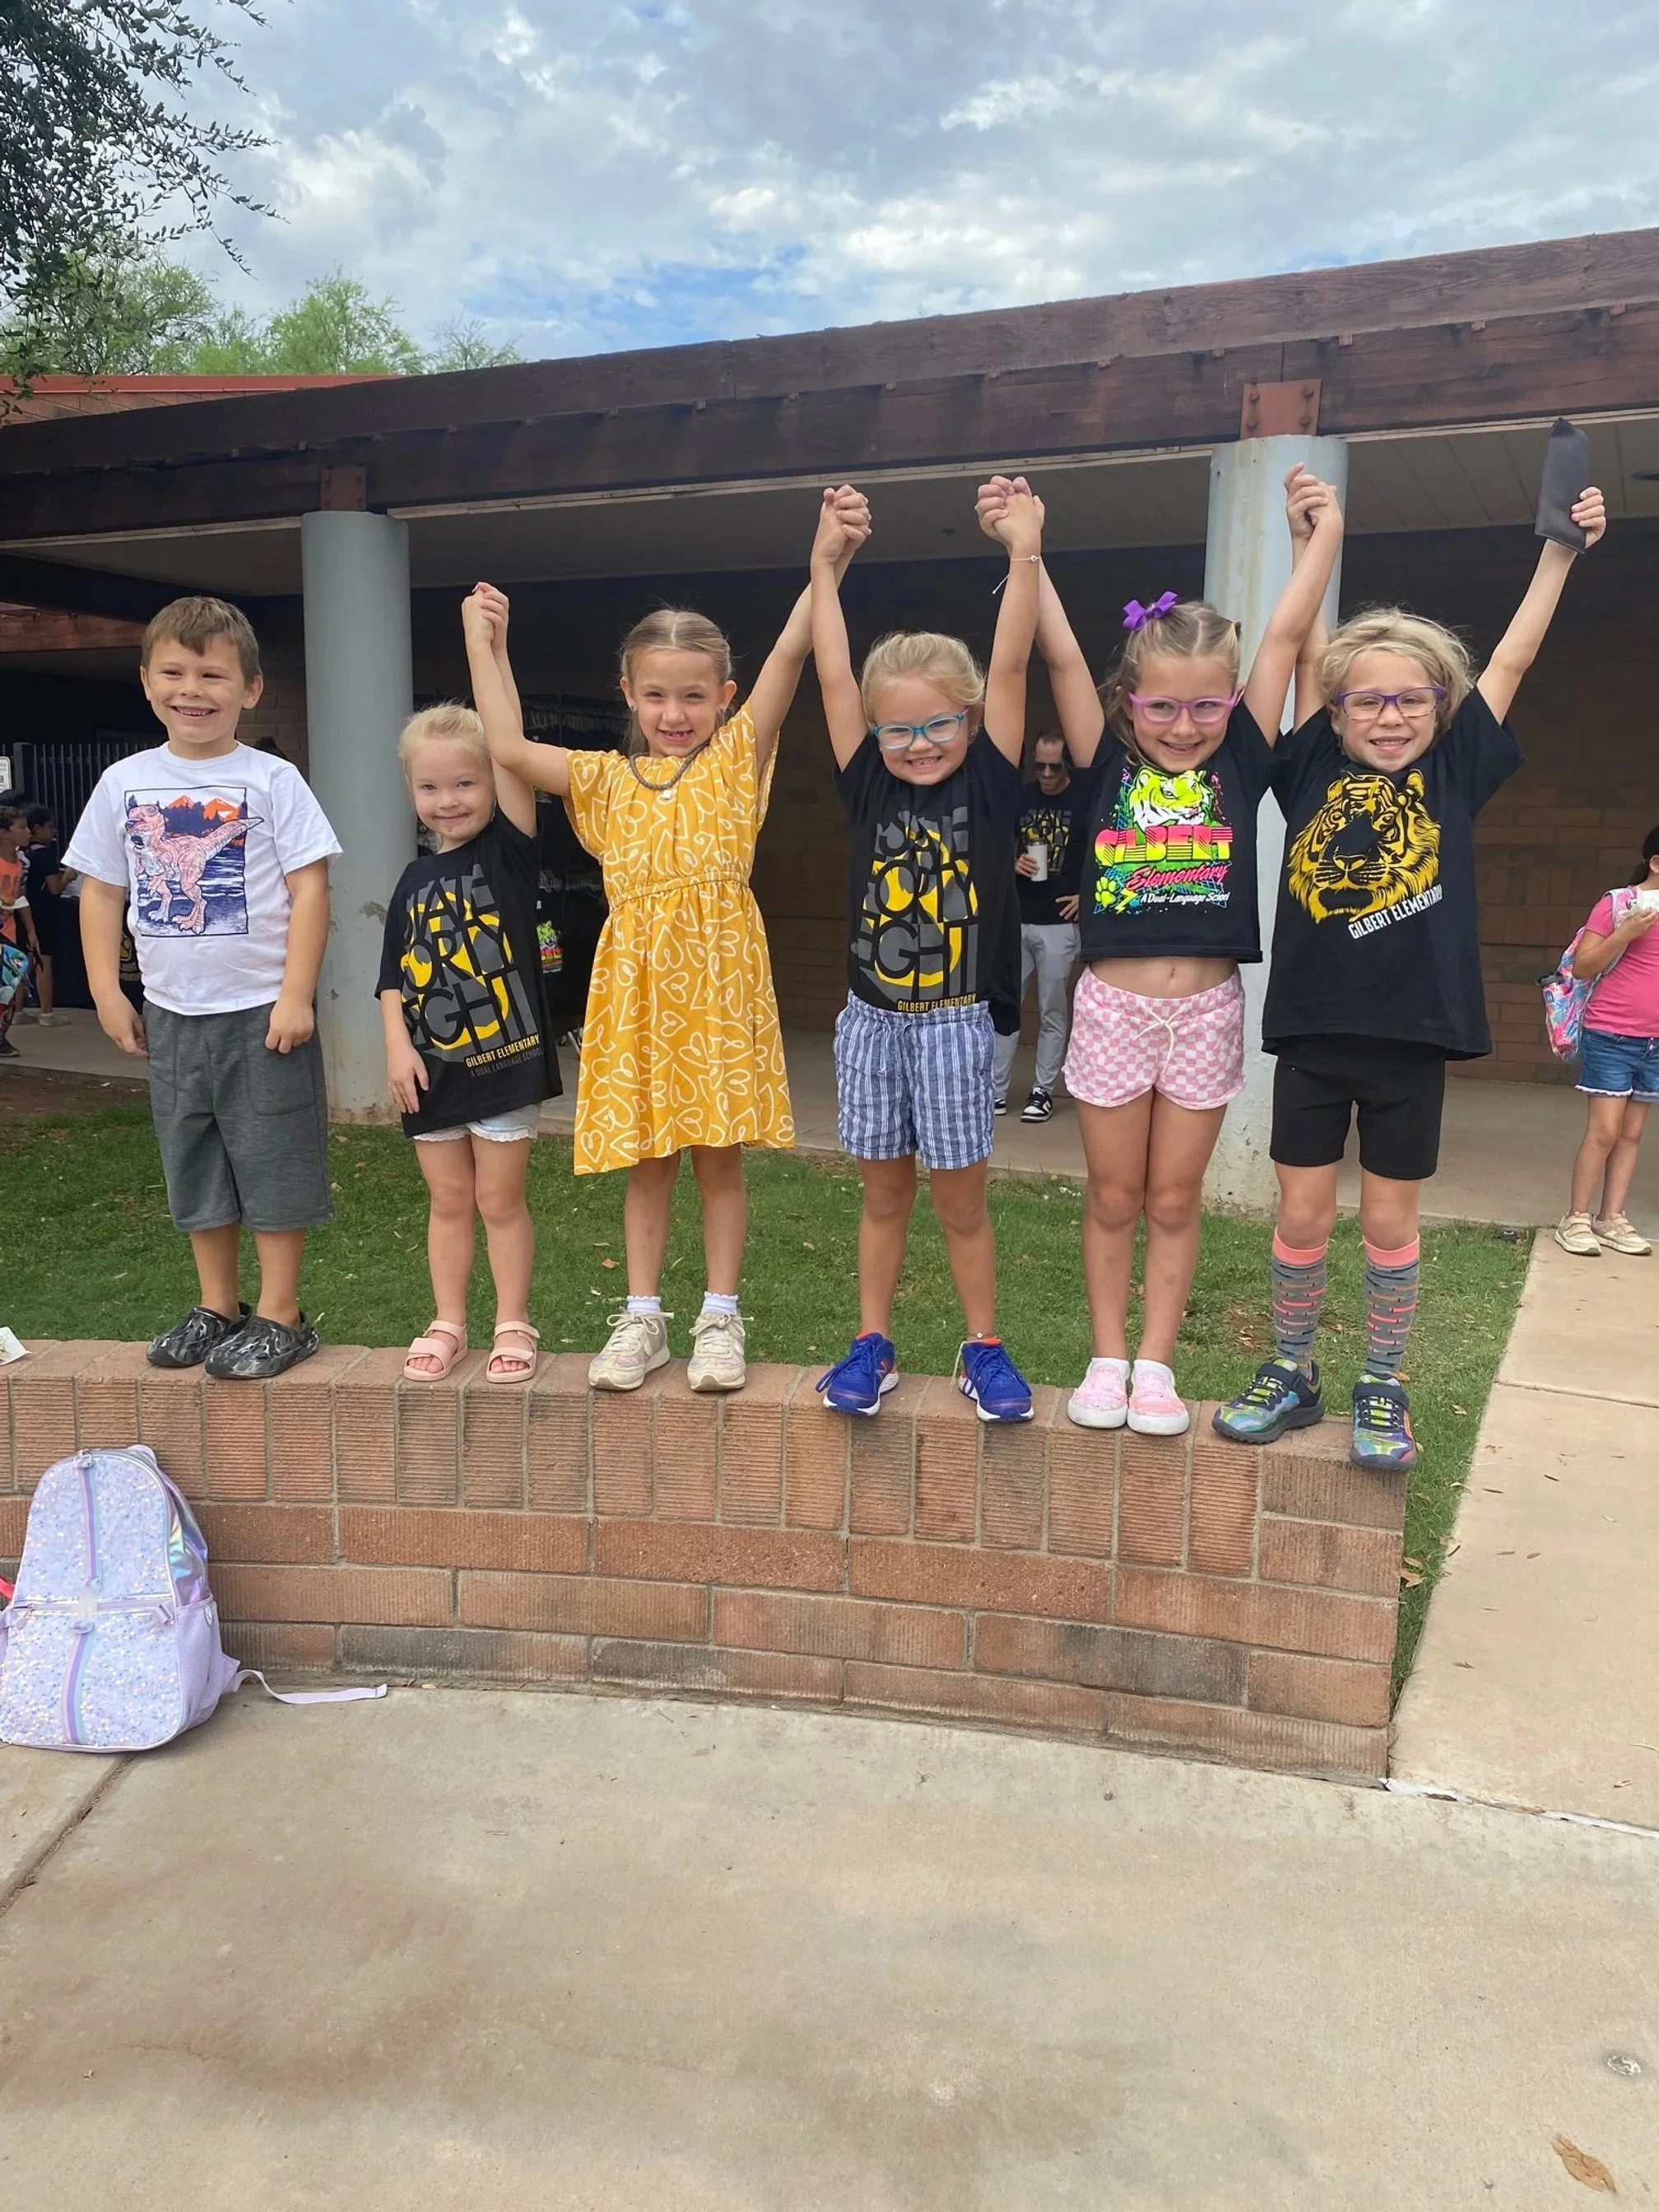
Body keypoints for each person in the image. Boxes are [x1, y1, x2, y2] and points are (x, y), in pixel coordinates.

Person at [1215, 483, 1608, 1470]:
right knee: (1302, 1214)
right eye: (1367, 701)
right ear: (1335, 712)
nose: (1390, 717)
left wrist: (1558, 554)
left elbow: (1511, 657)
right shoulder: (1303, 765)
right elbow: (1283, 649)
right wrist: (1321, 539)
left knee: (1390, 1220)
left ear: (1441, 706)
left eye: (1411, 699)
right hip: (1313, 1032)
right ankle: (1294, 1369)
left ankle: (1382, 1382)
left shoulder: (1454, 769)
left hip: (1412, 1041)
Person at [464, 488, 870, 1396]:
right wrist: (485, 644)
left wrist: (826, 558)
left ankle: (720, 1318)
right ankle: (642, 1317)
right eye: (656, 694)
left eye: (694, 695)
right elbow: (504, 742)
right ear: (629, 695)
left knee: (718, 1159)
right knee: (648, 1160)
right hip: (637, 988)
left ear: (724, 697)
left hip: (719, 984)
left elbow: (795, 650)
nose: (675, 711)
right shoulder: (602, 781)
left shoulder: (736, 761)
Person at [978, 467, 1344, 1436]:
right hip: (1111, 1007)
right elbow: (1056, 654)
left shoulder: (1242, 754)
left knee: (1174, 1197)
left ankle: (1157, 1365)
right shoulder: (1101, 760)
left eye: (1206, 709)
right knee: (1112, 1193)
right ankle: (1106, 1360)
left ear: (1231, 706)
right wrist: (1029, 547)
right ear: (1128, 702)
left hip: (1207, 1010)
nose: (1185, 727)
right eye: (1163, 709)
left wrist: (1322, 540)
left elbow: (1281, 638)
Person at [811, 481, 1045, 1423]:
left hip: (955, 1024)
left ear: (971, 719)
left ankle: (982, 1346)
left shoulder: (989, 780)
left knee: (960, 1202)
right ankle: (872, 1342)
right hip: (872, 1020)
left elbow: (1015, 661)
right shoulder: (868, 784)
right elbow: (833, 676)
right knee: (881, 1197)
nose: (918, 743)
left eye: (938, 724)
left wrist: (1021, 551)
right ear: (874, 732)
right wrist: (826, 565)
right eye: (898, 728)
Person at [63, 595, 342, 1380]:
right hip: (173, 1014)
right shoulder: (123, 783)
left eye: (214, 674)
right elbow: (101, 893)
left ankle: (284, 1314)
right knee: (195, 1159)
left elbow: (311, 889)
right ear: (147, 681)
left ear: (249, 688)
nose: (194, 689)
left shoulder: (272, 779)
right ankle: (219, 1304)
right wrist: (106, 993)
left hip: (261, 1013)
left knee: (273, 1158)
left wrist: (297, 993)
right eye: (176, 672)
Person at [380, 695, 560, 1383]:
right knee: (449, 1201)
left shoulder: (512, 852)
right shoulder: (411, 879)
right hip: (431, 1071)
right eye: (430, 786)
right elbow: (391, 978)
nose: (448, 800)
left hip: (505, 1063)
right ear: (410, 791)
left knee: (498, 1201)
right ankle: (448, 1321)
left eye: (465, 782)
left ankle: (513, 1321)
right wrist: (398, 1050)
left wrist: (490, 642)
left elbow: (510, 741)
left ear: (493, 781)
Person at [1554, 825, 1659, 1258]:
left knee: (1632, 1134)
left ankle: (1611, 1217)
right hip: (1612, 1033)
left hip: (1655, 1041)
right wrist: (1626, 933)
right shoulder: (1618, 904)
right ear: (1655, 862)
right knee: (1604, 1131)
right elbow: (1583, 966)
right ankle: (1576, 1218)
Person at [993, 730, 1084, 1124]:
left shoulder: (1085, 799)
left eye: (1055, 766)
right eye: (1039, 765)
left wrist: (1088, 896)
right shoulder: (1020, 796)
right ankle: (994, 1091)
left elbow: (1109, 851)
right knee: (1004, 1006)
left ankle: (1042, 1091)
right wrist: (1011, 862)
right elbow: (996, 844)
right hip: (1018, 917)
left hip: (1059, 923)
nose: (1046, 774)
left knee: (1052, 1009)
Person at [21, 806, 72, 1024]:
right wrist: (69, 876)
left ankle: (19, 1010)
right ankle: (46, 1013)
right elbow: (55, 887)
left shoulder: (23, 853)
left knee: (25, 961)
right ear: (37, 828)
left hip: (25, 911)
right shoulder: (45, 854)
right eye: (50, 827)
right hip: (44, 912)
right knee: (44, 962)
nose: (54, 832)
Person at [0, 802, 39, 1058]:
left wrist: (32, 932)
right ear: (4, 832)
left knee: (9, 989)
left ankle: (2, 1038)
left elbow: (17, 898)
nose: (28, 832)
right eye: (22, 827)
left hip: (9, 932)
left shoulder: (19, 862)